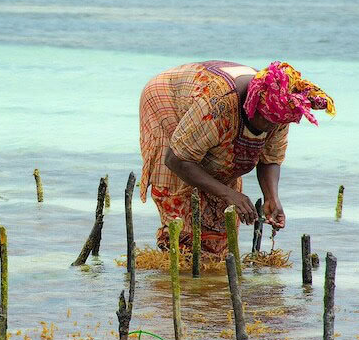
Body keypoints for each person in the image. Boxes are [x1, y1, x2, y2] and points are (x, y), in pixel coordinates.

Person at [138, 60, 334, 257]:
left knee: (221, 217)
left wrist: (271, 198)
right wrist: (228, 194)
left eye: (276, 124)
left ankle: (210, 272)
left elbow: (270, 157)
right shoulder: (217, 105)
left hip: (211, 108)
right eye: (265, 121)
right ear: (252, 106)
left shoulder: (280, 107)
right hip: (167, 99)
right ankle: (177, 268)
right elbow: (175, 160)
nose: (269, 129)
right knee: (180, 198)